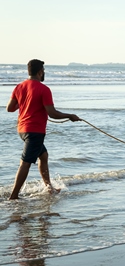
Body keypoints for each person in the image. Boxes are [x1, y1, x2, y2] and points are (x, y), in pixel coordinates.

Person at [6, 59, 81, 200]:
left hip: (22, 130)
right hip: (34, 131)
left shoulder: (19, 86)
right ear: (40, 72)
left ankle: (49, 188)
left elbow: (10, 108)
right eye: (43, 71)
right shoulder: (44, 89)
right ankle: (14, 196)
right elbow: (52, 113)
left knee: (43, 156)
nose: (44, 73)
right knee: (25, 163)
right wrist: (70, 116)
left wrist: (25, 103)